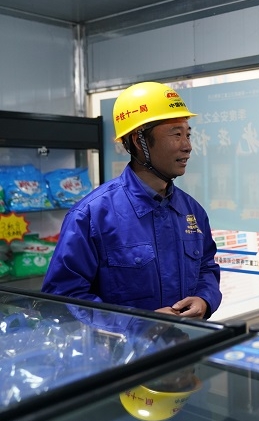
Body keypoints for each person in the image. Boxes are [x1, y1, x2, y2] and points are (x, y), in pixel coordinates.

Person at [42, 82, 222, 320]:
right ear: (139, 141)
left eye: (188, 135)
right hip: (122, 345)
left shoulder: (192, 211)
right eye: (176, 134)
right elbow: (63, 300)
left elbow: (206, 268)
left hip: (186, 340)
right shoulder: (91, 216)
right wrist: (135, 323)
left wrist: (204, 299)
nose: (187, 146)